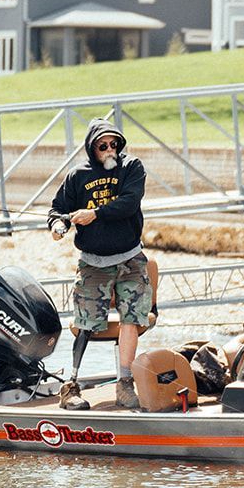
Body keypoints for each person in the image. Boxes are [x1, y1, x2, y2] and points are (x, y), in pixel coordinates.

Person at [47, 118, 151, 410]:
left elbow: (129, 203)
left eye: (113, 145)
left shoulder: (132, 167)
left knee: (131, 318)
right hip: (92, 264)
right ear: (92, 148)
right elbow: (57, 210)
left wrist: (94, 213)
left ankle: (125, 384)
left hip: (130, 259)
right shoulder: (77, 176)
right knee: (86, 323)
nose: (109, 150)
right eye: (102, 146)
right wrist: (58, 225)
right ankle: (71, 387)